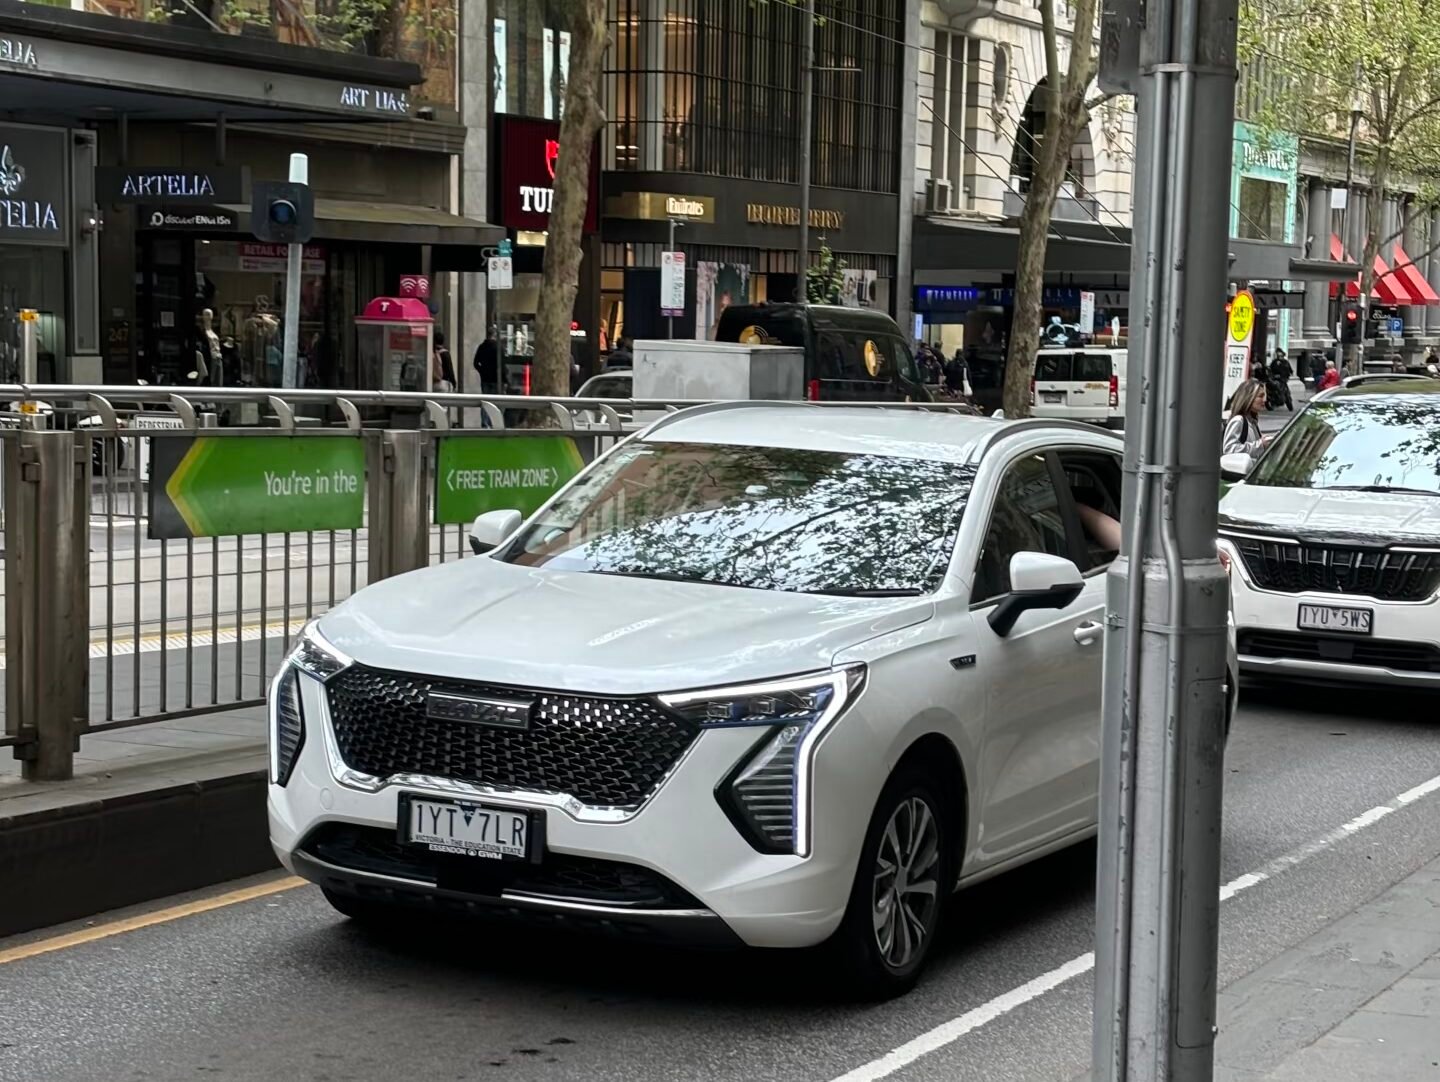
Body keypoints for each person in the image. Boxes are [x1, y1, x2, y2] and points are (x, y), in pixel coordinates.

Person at [1223, 379, 1270, 460]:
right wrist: (1260, 445)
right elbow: (1229, 449)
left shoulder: (1252, 421)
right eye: (1260, 396)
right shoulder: (1238, 420)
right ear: (1248, 398)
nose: (1264, 400)